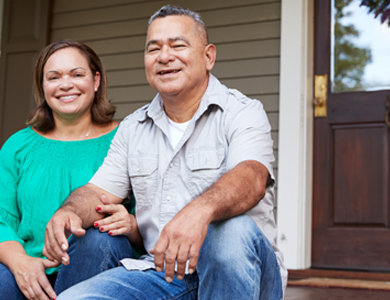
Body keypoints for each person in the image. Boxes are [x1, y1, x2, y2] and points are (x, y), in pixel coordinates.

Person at [44, 5, 288, 300]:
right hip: (162, 275)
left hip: (242, 275)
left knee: (228, 232)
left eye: (178, 45)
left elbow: (252, 178)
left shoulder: (243, 112)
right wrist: (68, 211)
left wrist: (200, 211)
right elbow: (98, 192)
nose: (164, 56)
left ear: (208, 56)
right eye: (153, 49)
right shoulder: (134, 127)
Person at [0, 40, 140, 300]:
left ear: (96, 80)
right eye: (53, 77)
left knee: (100, 241)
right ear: (42, 86)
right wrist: (22, 264)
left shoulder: (126, 139)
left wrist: (132, 224)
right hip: (32, 262)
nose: (65, 84)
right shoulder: (18, 146)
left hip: (100, 267)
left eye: (77, 74)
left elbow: (150, 222)